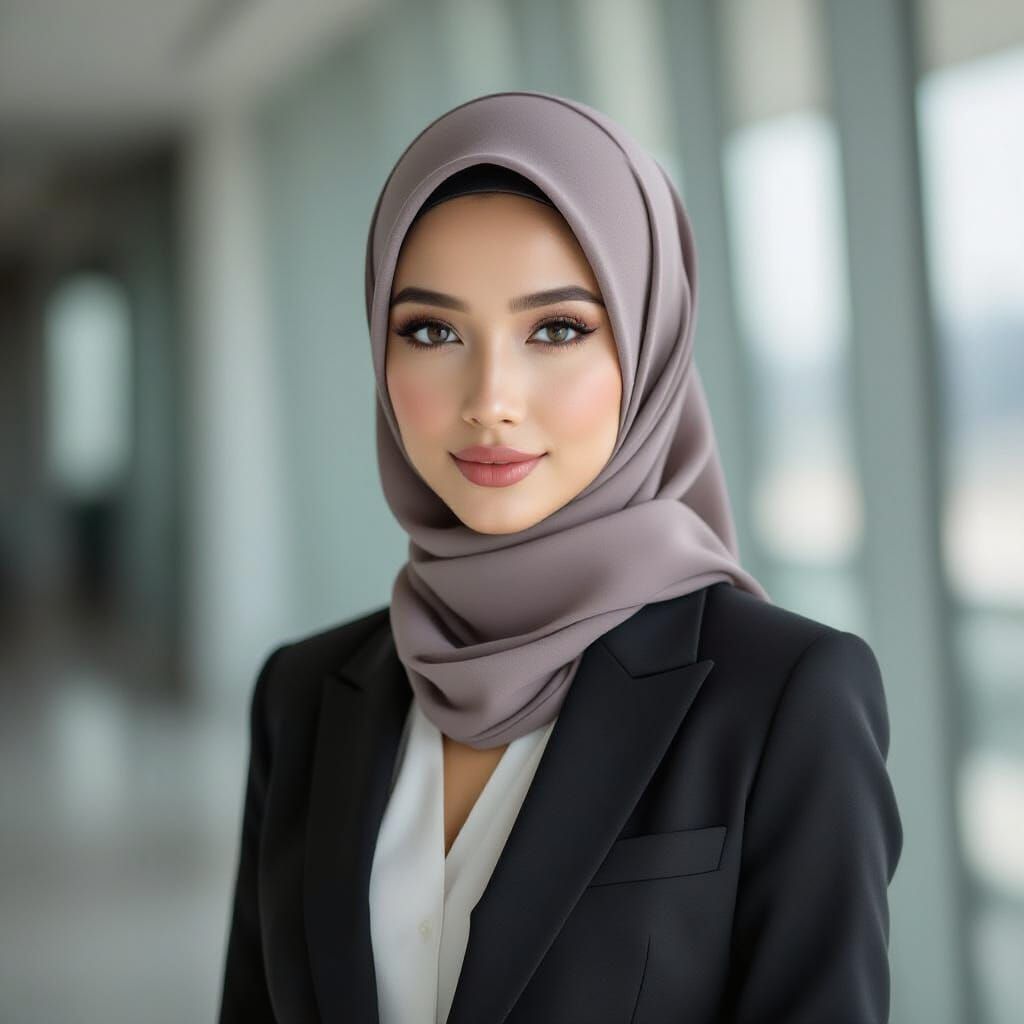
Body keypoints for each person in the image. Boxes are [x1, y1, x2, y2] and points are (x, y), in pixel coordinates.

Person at [218, 91, 903, 1024]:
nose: (490, 399)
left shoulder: (787, 697)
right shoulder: (302, 696)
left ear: (651, 347)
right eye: (432, 331)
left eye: (557, 329)